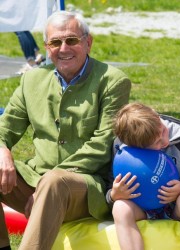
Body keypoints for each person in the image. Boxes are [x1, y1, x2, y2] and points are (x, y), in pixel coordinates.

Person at [0, 10, 131, 250]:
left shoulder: (113, 81)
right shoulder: (32, 80)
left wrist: (45, 189)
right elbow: (5, 127)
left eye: (71, 40)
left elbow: (102, 145)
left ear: (88, 42)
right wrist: (2, 150)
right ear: (46, 47)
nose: (63, 49)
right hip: (37, 179)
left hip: (87, 188)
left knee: (54, 182)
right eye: (55, 42)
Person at [106, 103, 180, 250]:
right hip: (143, 208)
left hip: (176, 205)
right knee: (120, 208)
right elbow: (110, 188)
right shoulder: (122, 151)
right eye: (157, 143)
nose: (165, 141)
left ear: (157, 116)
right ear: (138, 149)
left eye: (162, 131)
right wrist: (114, 195)